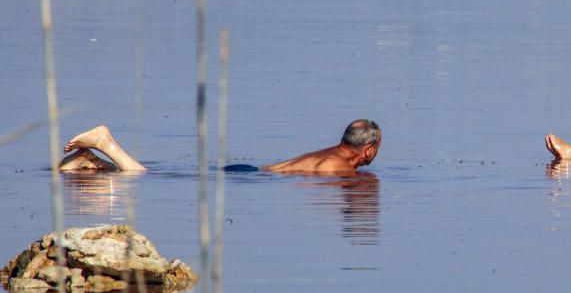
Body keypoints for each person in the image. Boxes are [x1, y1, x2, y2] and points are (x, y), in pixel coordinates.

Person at [59, 119, 381, 177]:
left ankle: (90, 163)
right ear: (367, 150)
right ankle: (106, 143)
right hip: (249, 178)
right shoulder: (338, 170)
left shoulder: (331, 154)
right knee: (142, 177)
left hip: (251, 172)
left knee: (149, 174)